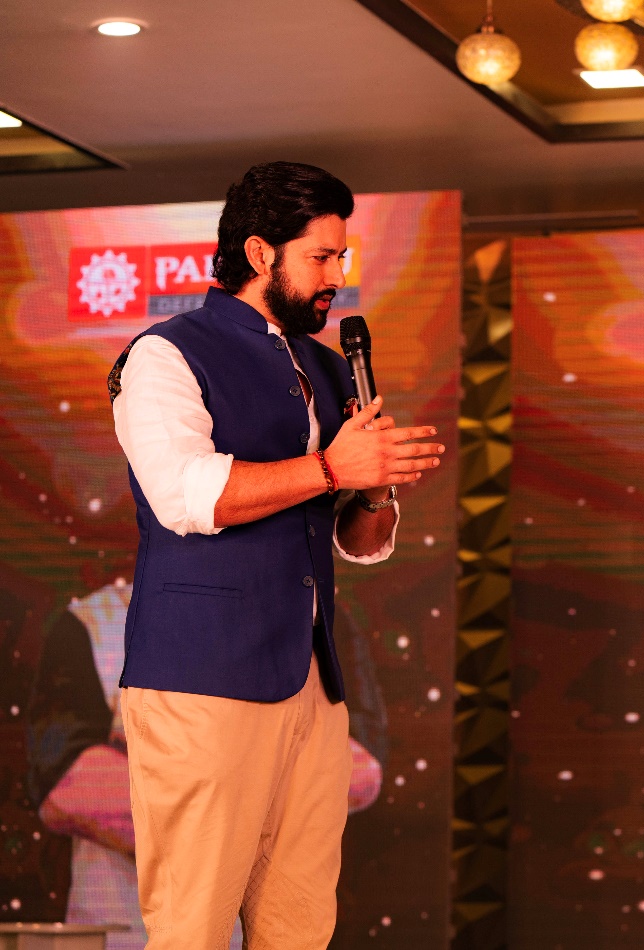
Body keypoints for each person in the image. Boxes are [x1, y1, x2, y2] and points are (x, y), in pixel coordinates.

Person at [105, 161, 443, 948]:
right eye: (321, 258)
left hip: (312, 685)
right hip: (203, 678)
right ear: (260, 253)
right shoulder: (164, 353)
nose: (337, 278)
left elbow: (355, 543)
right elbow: (185, 496)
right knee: (191, 923)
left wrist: (374, 491)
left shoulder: (323, 366)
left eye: (342, 258)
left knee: (300, 923)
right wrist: (331, 468)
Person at [26, 581, 389, 950]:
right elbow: (66, 784)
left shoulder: (316, 613)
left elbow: (360, 768)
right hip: (128, 932)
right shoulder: (94, 622)